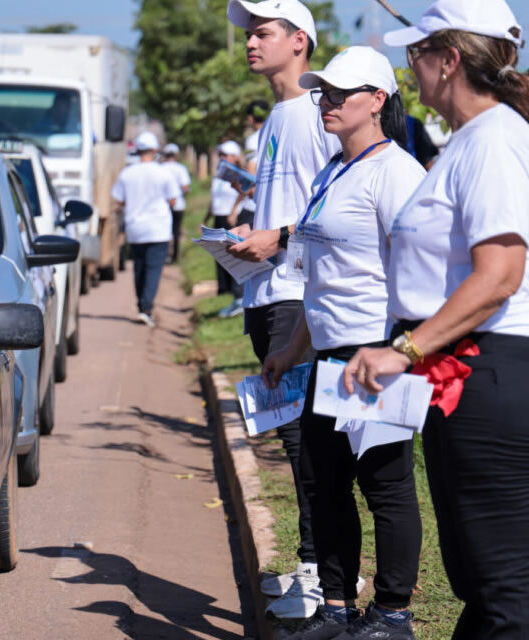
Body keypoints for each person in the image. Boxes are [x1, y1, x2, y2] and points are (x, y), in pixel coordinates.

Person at [344, 1, 529, 637]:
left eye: (415, 55)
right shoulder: (470, 141)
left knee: (504, 590)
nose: (408, 69)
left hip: (489, 374)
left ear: (449, 60)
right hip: (464, 375)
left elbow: (501, 271)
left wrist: (406, 349)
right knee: (482, 583)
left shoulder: (494, 141)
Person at [263, 46, 426, 640]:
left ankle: (392, 615)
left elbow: (420, 277)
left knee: (384, 483)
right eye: (321, 93)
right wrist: (293, 348)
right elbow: (320, 277)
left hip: (374, 352)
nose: (326, 103)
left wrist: (399, 351)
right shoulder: (333, 168)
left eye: (339, 93)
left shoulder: (397, 173)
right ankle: (337, 608)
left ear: (377, 100)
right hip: (329, 353)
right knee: (324, 480)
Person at [225, 0, 343, 619]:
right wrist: (249, 231)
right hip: (266, 290)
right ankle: (307, 569)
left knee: (306, 443)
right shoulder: (277, 115)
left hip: (296, 295)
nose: (250, 42)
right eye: (248, 33)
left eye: (262, 32)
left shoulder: (311, 116)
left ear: (300, 41)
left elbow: (333, 207)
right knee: (292, 438)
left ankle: (321, 578)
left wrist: (279, 237)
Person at [111, 131, 181, 328]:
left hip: (135, 228)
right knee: (153, 270)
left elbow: (118, 199)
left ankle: (142, 305)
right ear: (155, 150)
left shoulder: (127, 174)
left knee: (139, 269)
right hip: (158, 228)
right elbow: (174, 200)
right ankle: (146, 307)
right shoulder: (163, 173)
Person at [208, 140, 246, 313]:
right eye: (220, 155)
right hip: (219, 216)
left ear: (234, 157)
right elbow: (214, 199)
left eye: (225, 155)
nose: (222, 158)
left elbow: (244, 193)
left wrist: (233, 212)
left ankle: (235, 290)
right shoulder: (219, 174)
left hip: (232, 219)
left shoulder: (239, 174)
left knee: (232, 253)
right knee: (219, 253)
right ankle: (223, 288)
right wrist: (207, 217)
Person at [161, 142, 191, 263]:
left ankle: (164, 255)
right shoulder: (181, 168)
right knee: (176, 230)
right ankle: (175, 256)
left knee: (164, 230)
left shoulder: (160, 168)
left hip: (163, 205)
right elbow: (185, 187)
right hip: (178, 205)